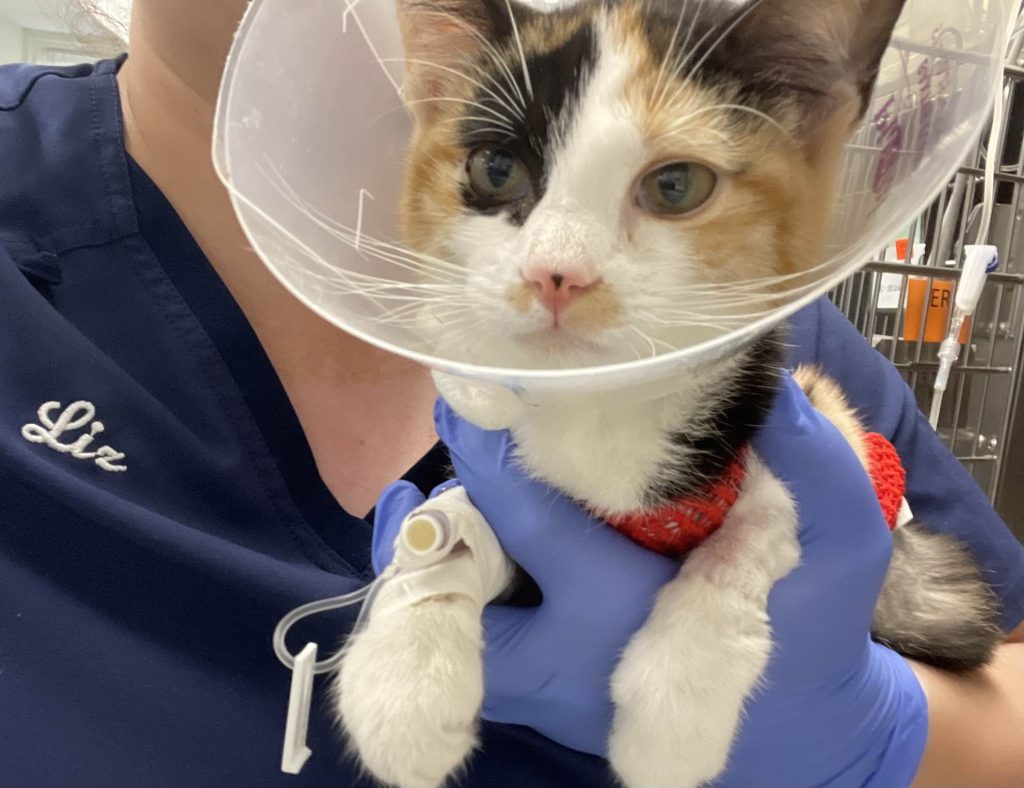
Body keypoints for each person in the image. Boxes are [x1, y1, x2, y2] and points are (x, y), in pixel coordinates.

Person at [0, 1, 1021, 785]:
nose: (561, 267)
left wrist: (882, 734)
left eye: (673, 186)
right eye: (493, 166)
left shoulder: (756, 327)